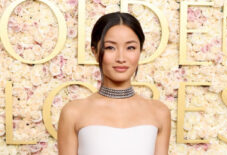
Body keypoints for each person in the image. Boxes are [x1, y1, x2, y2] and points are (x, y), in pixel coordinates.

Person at [57, 11, 171, 155]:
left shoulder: (159, 112)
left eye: (130, 47)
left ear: (140, 51)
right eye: (110, 47)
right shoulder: (73, 112)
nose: (121, 58)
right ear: (95, 52)